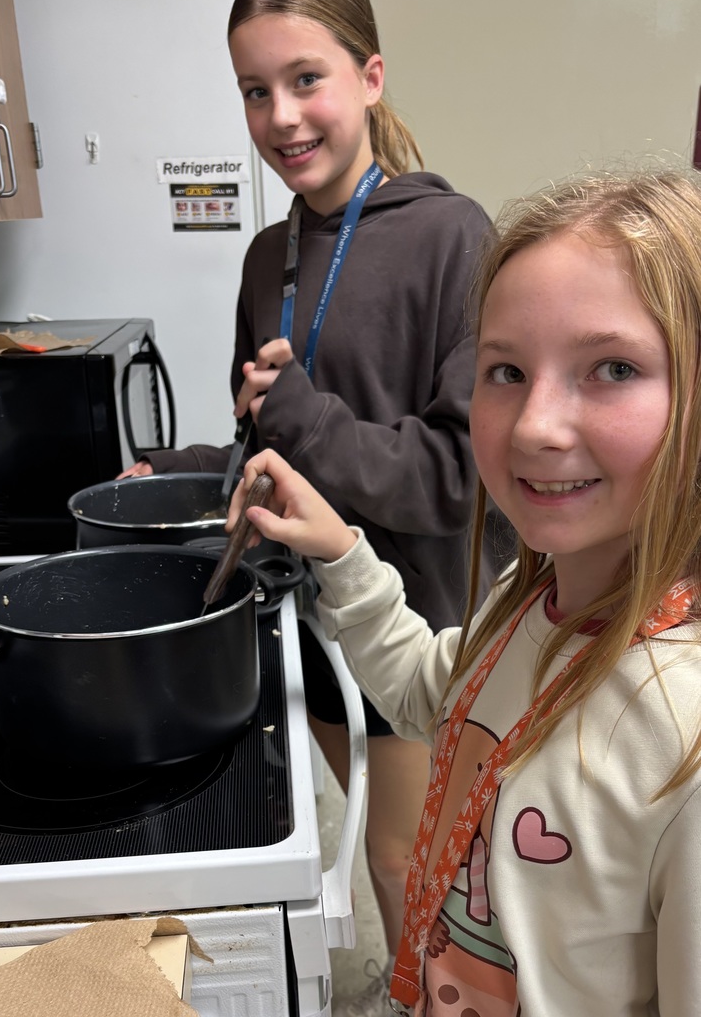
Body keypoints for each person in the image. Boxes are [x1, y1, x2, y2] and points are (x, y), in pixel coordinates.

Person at [225, 169, 701, 1016]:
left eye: (613, 368)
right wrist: (339, 547)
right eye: (505, 371)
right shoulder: (526, 605)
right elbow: (429, 694)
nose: (534, 426)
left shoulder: (682, 741)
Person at [119, 0, 506, 1010]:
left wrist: (303, 411)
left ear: (369, 79)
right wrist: (187, 464)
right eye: (256, 91)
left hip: (417, 619)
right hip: (308, 612)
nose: (282, 117)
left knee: (403, 864)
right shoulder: (267, 255)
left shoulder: (454, 237)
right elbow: (269, 440)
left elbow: (456, 474)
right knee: (371, 850)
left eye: (306, 81)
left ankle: (428, 997)